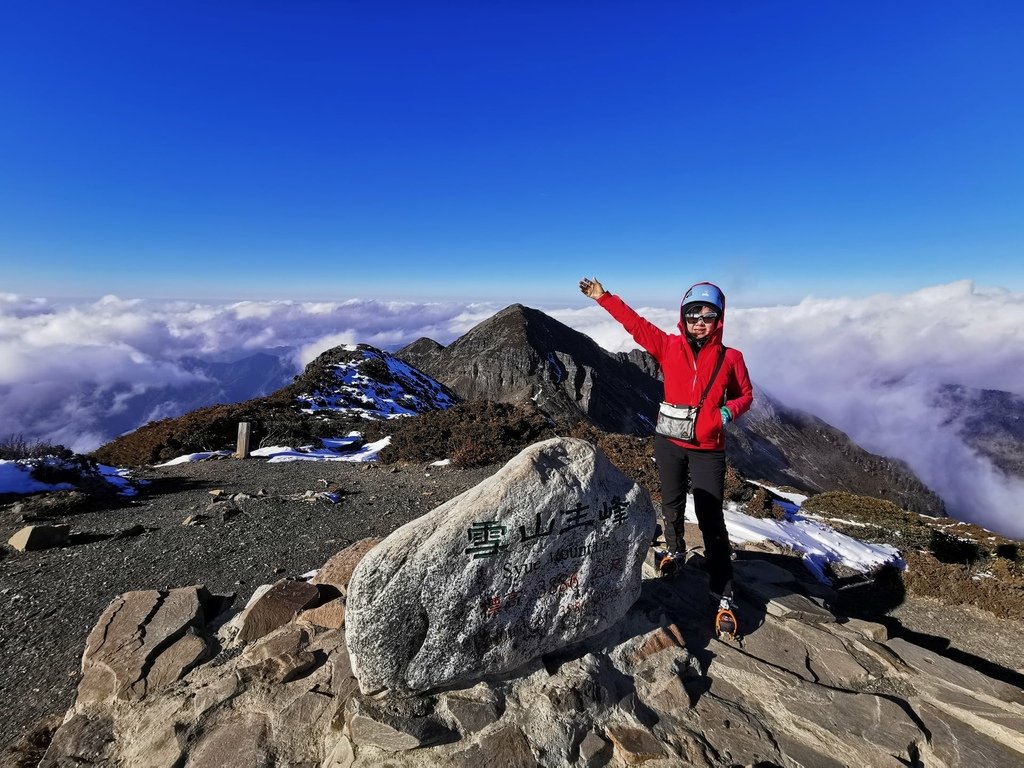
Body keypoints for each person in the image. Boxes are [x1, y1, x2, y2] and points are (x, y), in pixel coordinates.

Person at [579, 277, 753, 623]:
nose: (699, 322)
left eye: (707, 316)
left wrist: (723, 414)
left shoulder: (731, 358)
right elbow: (635, 325)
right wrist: (603, 297)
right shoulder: (668, 347)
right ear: (683, 317)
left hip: (708, 448)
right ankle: (674, 550)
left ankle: (723, 593)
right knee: (671, 501)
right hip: (669, 441)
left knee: (710, 516)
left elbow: (745, 396)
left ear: (719, 320)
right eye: (693, 315)